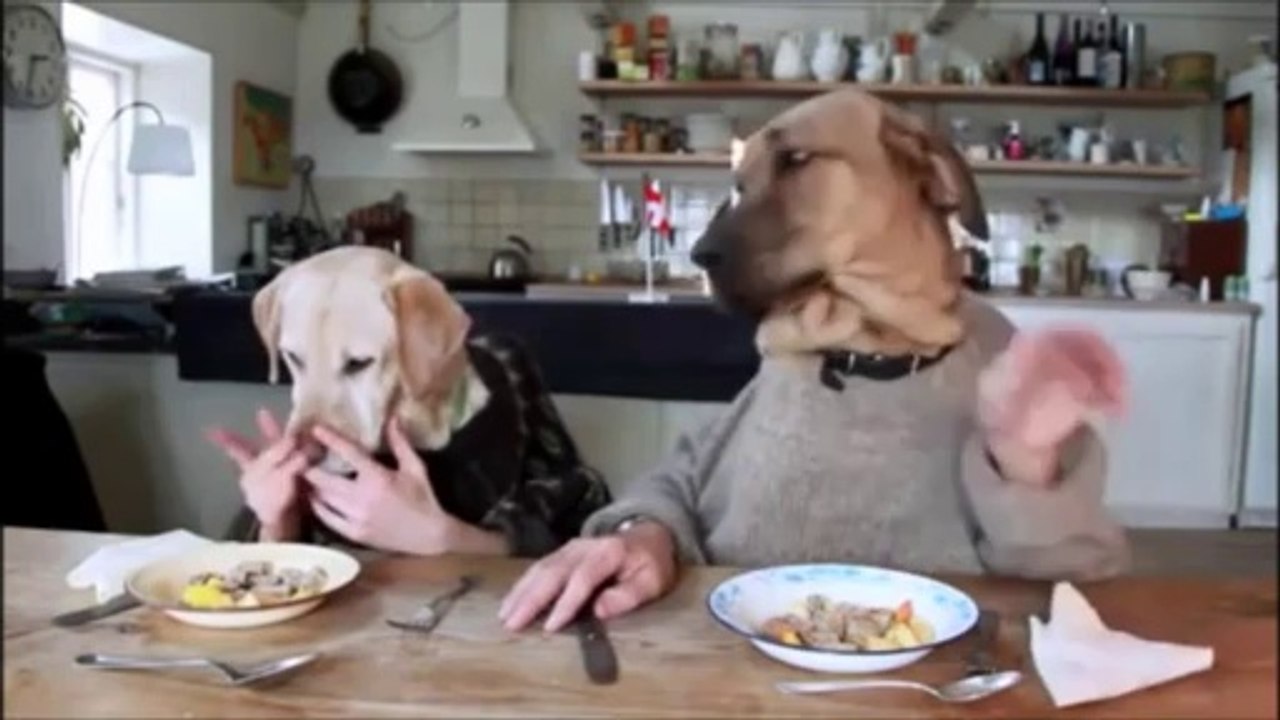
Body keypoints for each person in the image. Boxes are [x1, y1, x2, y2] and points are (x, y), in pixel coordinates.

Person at [208, 334, 612, 558]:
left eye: (357, 365)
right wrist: (278, 523)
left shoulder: (495, 374)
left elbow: (589, 526)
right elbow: (261, 586)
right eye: (296, 360)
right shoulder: (319, 415)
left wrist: (447, 540)